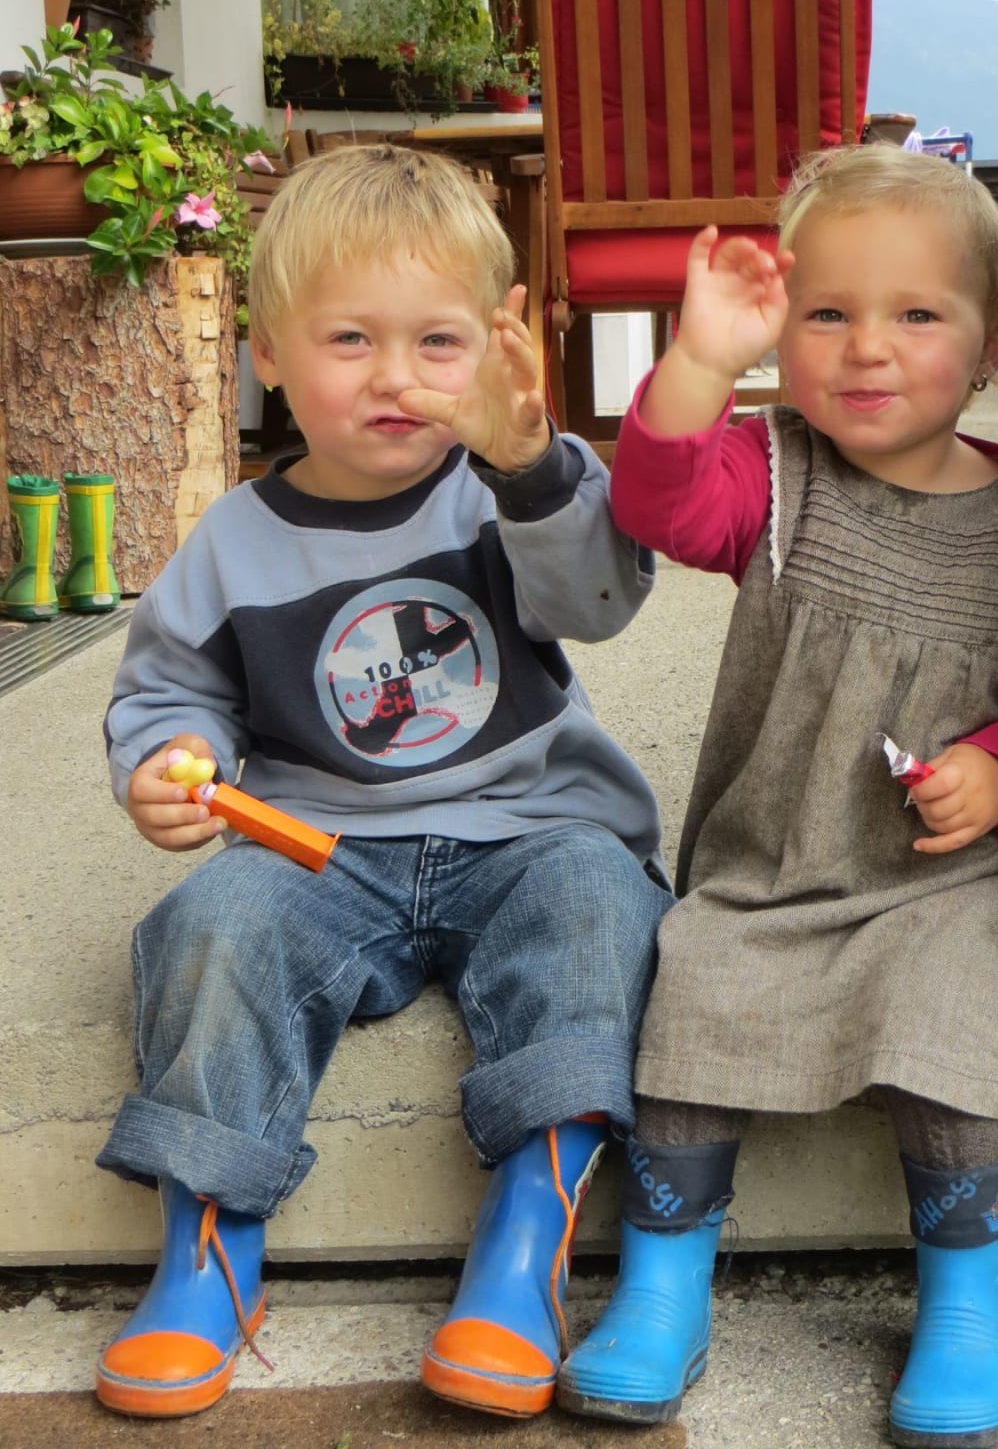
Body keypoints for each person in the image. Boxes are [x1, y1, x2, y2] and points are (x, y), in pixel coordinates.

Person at [93, 145, 671, 1422]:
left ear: (499, 349)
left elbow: (601, 597)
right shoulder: (233, 541)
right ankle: (206, 1252)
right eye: (350, 339)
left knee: (599, 910)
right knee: (212, 926)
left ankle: (527, 1236)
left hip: (528, 826)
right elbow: (170, 687)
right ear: (268, 354)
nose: (396, 377)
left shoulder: (509, 489)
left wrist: (533, 465)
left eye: (437, 343)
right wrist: (172, 764)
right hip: (321, 846)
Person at [558, 143, 998, 1447]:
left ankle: (969, 1297)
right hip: (772, 872)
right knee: (693, 992)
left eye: (918, 315)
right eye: (826, 313)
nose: (867, 348)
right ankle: (663, 1283)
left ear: (995, 344)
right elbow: (658, 501)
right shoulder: (777, 474)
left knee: (960, 1019)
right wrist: (701, 360)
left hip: (954, 888)